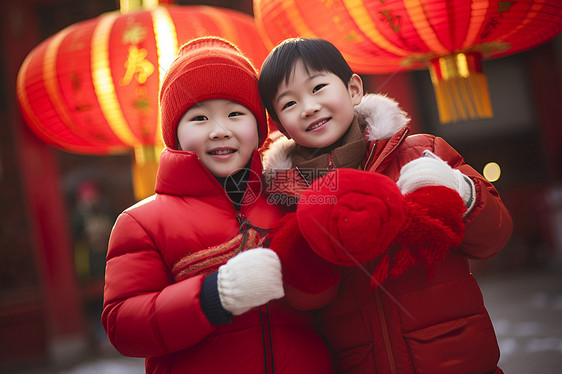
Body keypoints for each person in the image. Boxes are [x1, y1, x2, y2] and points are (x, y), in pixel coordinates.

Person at [258, 38, 513, 374]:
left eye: (318, 87)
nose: (308, 107)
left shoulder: (419, 152)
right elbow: (306, 301)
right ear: (278, 125)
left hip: (455, 356)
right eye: (289, 103)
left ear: (352, 89)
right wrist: (308, 250)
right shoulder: (287, 196)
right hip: (362, 362)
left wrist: (458, 191)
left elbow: (493, 237)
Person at [102, 37, 335, 374]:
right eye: (199, 118)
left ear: (259, 127)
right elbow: (122, 325)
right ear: (175, 134)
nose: (220, 131)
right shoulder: (142, 222)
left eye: (235, 114)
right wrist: (213, 296)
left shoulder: (292, 195)